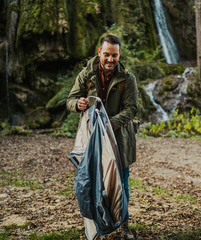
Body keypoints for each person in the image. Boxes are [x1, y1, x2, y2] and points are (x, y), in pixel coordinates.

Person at [67, 34, 138, 239]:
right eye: (106, 54)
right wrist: (77, 104)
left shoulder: (128, 78)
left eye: (114, 55)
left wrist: (109, 124)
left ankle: (124, 225)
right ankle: (97, 225)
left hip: (119, 140)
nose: (110, 59)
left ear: (119, 54)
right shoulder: (86, 74)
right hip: (92, 140)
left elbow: (131, 109)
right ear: (99, 52)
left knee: (121, 183)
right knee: (92, 181)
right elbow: (71, 99)